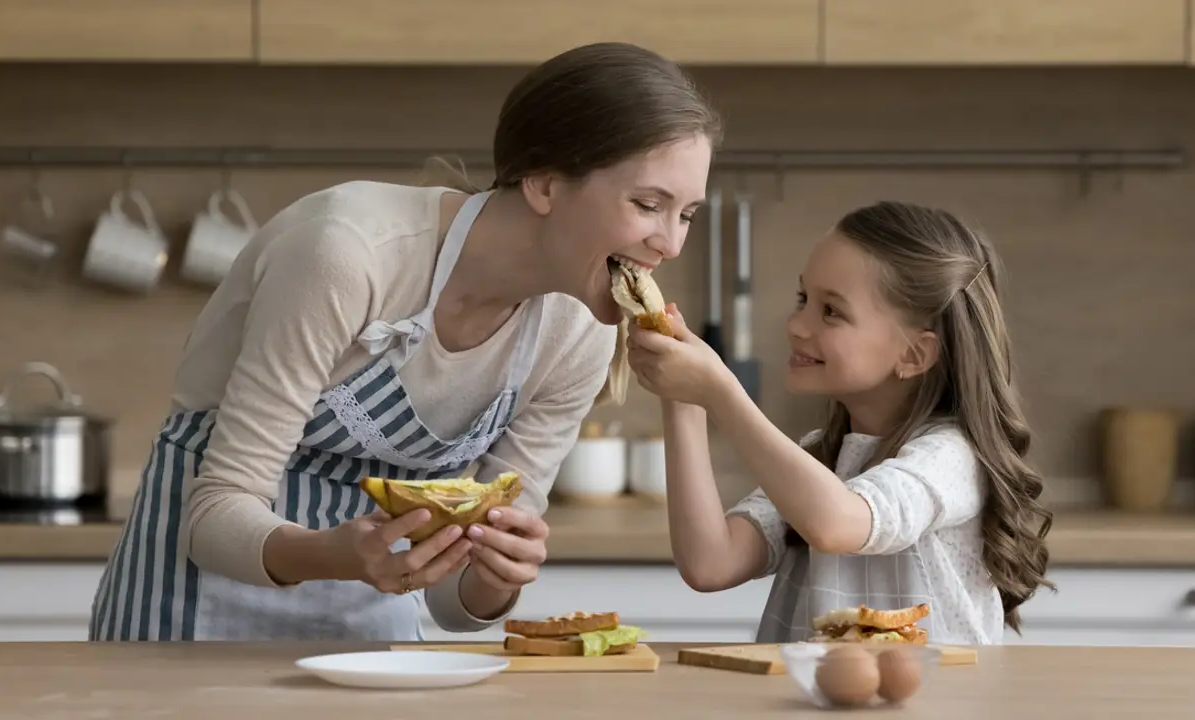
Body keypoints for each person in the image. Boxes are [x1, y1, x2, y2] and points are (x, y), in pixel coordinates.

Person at [88, 41, 721, 641]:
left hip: (370, 643)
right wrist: (336, 555)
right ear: (546, 184)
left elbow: (454, 608)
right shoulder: (347, 255)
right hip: (188, 616)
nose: (670, 244)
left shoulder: (577, 336)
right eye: (647, 204)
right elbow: (214, 515)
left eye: (687, 213)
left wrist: (497, 579)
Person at [625, 201, 1053, 645]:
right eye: (803, 299)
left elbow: (837, 524)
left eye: (831, 311)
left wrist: (721, 392)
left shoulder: (951, 457)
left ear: (913, 355)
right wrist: (683, 400)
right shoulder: (822, 459)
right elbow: (711, 563)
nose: (796, 324)